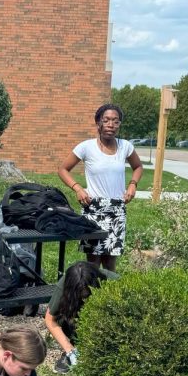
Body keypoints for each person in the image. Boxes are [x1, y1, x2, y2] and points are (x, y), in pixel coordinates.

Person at [57, 103, 144, 272]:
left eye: (116, 121)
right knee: (93, 262)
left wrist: (132, 185)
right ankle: (91, 296)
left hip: (117, 209)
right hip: (93, 208)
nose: (111, 124)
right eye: (106, 120)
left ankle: (107, 296)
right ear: (98, 123)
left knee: (110, 262)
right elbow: (62, 169)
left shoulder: (125, 146)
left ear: (119, 125)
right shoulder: (86, 147)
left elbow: (138, 167)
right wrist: (78, 188)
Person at [43, 261, 118, 373]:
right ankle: (74, 349)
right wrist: (69, 350)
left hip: (105, 324)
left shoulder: (113, 281)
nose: (83, 296)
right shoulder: (65, 284)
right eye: (79, 293)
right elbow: (50, 319)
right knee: (65, 313)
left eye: (85, 293)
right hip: (77, 323)